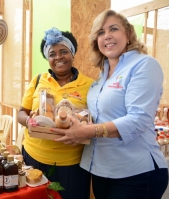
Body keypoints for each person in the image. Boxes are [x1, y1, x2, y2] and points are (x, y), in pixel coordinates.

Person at [53, 9, 169, 199]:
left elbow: (138, 120)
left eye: (113, 29)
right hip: (101, 171)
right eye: (100, 32)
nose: (107, 36)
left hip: (136, 173)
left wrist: (88, 131)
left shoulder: (144, 65)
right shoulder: (101, 77)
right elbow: (100, 116)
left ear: (128, 34)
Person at [18, 27, 94, 199]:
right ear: (47, 58)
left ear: (72, 53)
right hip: (33, 158)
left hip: (72, 164)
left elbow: (95, 119)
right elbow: (22, 112)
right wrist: (28, 121)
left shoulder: (90, 85)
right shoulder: (38, 80)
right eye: (52, 54)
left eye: (63, 51)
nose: (58, 57)